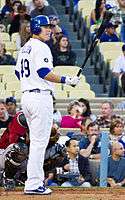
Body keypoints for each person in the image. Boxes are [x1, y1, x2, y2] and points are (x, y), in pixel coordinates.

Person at [15, 15, 80, 195]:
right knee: (39, 143)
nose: (49, 29)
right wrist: (67, 79)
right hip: (39, 97)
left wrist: (30, 83)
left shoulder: (25, 47)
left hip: (27, 96)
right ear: (36, 28)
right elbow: (44, 72)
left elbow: (17, 73)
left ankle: (32, 182)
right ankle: (34, 184)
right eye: (45, 27)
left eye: (50, 27)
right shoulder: (41, 46)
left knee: (37, 142)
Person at [0, 101, 28, 190]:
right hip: (4, 153)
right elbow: (13, 143)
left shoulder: (41, 121)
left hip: (24, 159)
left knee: (58, 150)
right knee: (20, 148)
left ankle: (25, 177)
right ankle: (8, 177)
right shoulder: (21, 119)